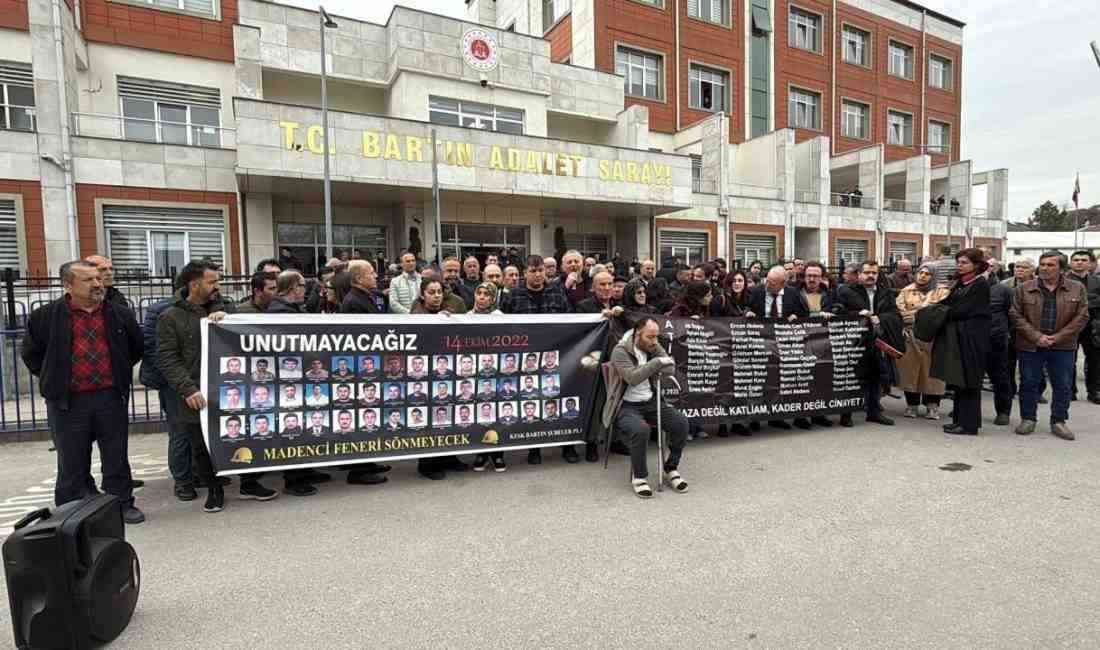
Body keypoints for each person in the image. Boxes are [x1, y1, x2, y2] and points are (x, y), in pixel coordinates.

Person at [22, 261, 145, 523]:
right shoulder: (45, 316)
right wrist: (54, 379)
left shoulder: (119, 313)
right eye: (88, 280)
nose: (98, 284)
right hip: (68, 402)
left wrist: (118, 374)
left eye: (98, 279)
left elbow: (135, 348)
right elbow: (32, 355)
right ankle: (71, 513)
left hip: (110, 397)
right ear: (68, 285)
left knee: (116, 456)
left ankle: (121, 505)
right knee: (71, 460)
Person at [157, 261, 278, 512]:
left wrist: (228, 320)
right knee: (201, 444)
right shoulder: (171, 316)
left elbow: (248, 337)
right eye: (212, 282)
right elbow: (167, 357)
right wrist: (187, 389)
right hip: (196, 391)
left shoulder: (228, 307)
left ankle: (249, 483)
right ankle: (214, 489)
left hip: (232, 388)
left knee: (244, 434)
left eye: (218, 282)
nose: (217, 287)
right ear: (194, 284)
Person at [603, 317, 689, 498]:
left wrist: (658, 356)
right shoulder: (620, 351)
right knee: (641, 430)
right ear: (637, 334)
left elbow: (670, 369)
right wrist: (657, 363)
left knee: (681, 422)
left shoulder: (651, 346)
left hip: (650, 401)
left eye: (657, 337)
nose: (655, 341)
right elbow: (633, 378)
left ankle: (671, 468)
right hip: (625, 405)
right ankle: (639, 476)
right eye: (650, 337)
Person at [503, 255, 576, 464]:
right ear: (525, 272)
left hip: (557, 356)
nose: (537, 274)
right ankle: (534, 448)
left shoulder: (557, 292)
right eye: (533, 271)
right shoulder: (513, 295)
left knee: (558, 398)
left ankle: (567, 446)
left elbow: (571, 320)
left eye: (541, 270)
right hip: (527, 359)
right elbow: (502, 325)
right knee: (532, 401)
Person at [1009, 251, 1088, 440]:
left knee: (1062, 385)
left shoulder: (1076, 288)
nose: (1045, 268)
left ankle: (1058, 421)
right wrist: (1036, 337)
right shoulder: (1025, 288)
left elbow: (1082, 316)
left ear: (1061, 268)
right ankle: (1028, 418)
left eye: (1050, 265)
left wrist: (1058, 337)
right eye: (1042, 264)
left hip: (1063, 345)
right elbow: (1015, 315)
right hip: (1031, 344)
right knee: (1029, 383)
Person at [930, 249, 992, 436]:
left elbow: (961, 310)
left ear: (976, 265)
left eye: (964, 262)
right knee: (958, 380)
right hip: (958, 337)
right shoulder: (960, 283)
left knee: (970, 381)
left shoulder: (980, 285)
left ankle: (969, 425)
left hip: (973, 339)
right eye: (959, 262)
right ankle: (958, 419)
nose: (960, 265)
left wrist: (941, 312)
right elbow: (947, 304)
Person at [747, 266, 812, 429]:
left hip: (785, 343)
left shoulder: (793, 294)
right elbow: (745, 308)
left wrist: (796, 317)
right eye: (767, 280)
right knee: (760, 381)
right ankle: (755, 418)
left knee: (780, 380)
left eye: (772, 282)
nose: (767, 284)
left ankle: (776, 417)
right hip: (761, 342)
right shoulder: (757, 292)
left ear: (782, 283)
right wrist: (748, 313)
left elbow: (805, 315)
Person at [835, 260, 898, 428]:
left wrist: (881, 318)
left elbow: (894, 314)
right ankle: (846, 414)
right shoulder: (846, 291)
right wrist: (858, 314)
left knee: (875, 377)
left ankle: (874, 412)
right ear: (859, 274)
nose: (871, 276)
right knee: (851, 378)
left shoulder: (886, 293)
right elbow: (838, 312)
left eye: (874, 273)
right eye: (867, 272)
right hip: (854, 342)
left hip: (877, 341)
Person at [895, 263, 949, 419]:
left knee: (933, 374)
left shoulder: (942, 291)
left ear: (934, 276)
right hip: (910, 336)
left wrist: (917, 314)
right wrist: (921, 313)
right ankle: (912, 405)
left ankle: (932, 406)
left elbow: (941, 312)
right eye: (920, 272)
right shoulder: (906, 291)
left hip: (933, 337)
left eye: (927, 274)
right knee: (910, 372)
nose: (923, 276)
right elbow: (900, 311)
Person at [1067, 251, 1100, 403]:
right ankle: (1069, 390)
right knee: (1068, 360)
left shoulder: (1097, 281)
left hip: (1092, 326)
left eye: (1083, 260)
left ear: (1089, 263)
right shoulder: (1063, 280)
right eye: (1076, 260)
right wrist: (1090, 301)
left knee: (1094, 359)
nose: (1079, 262)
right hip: (1068, 325)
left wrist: (1083, 302)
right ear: (1071, 262)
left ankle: (1094, 391)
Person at [987, 265, 1016, 425]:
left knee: (1000, 377)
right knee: (969, 378)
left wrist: (1004, 332)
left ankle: (1003, 411)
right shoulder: (964, 287)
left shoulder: (1003, 290)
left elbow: (1012, 314)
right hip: (971, 340)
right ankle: (965, 409)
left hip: (996, 340)